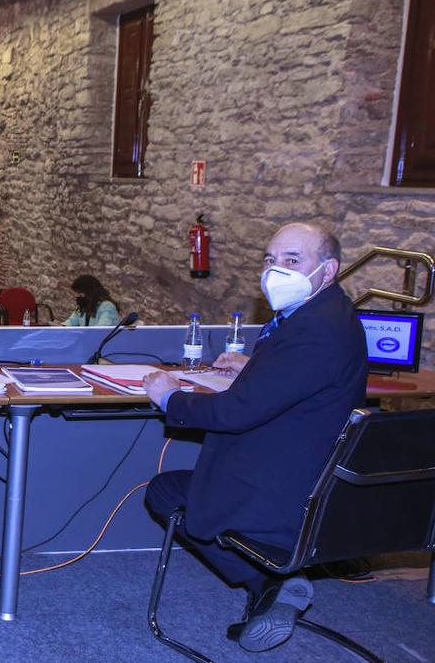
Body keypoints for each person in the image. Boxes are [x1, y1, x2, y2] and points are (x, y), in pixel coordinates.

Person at [140, 222, 366, 654]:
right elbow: (302, 381)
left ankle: (269, 580)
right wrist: (255, 368)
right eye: (270, 259)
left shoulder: (315, 332)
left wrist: (170, 397)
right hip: (309, 473)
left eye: (292, 260)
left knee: (165, 491)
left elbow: (234, 413)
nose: (275, 270)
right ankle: (274, 586)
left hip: (280, 490)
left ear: (329, 268)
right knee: (179, 487)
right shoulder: (326, 315)